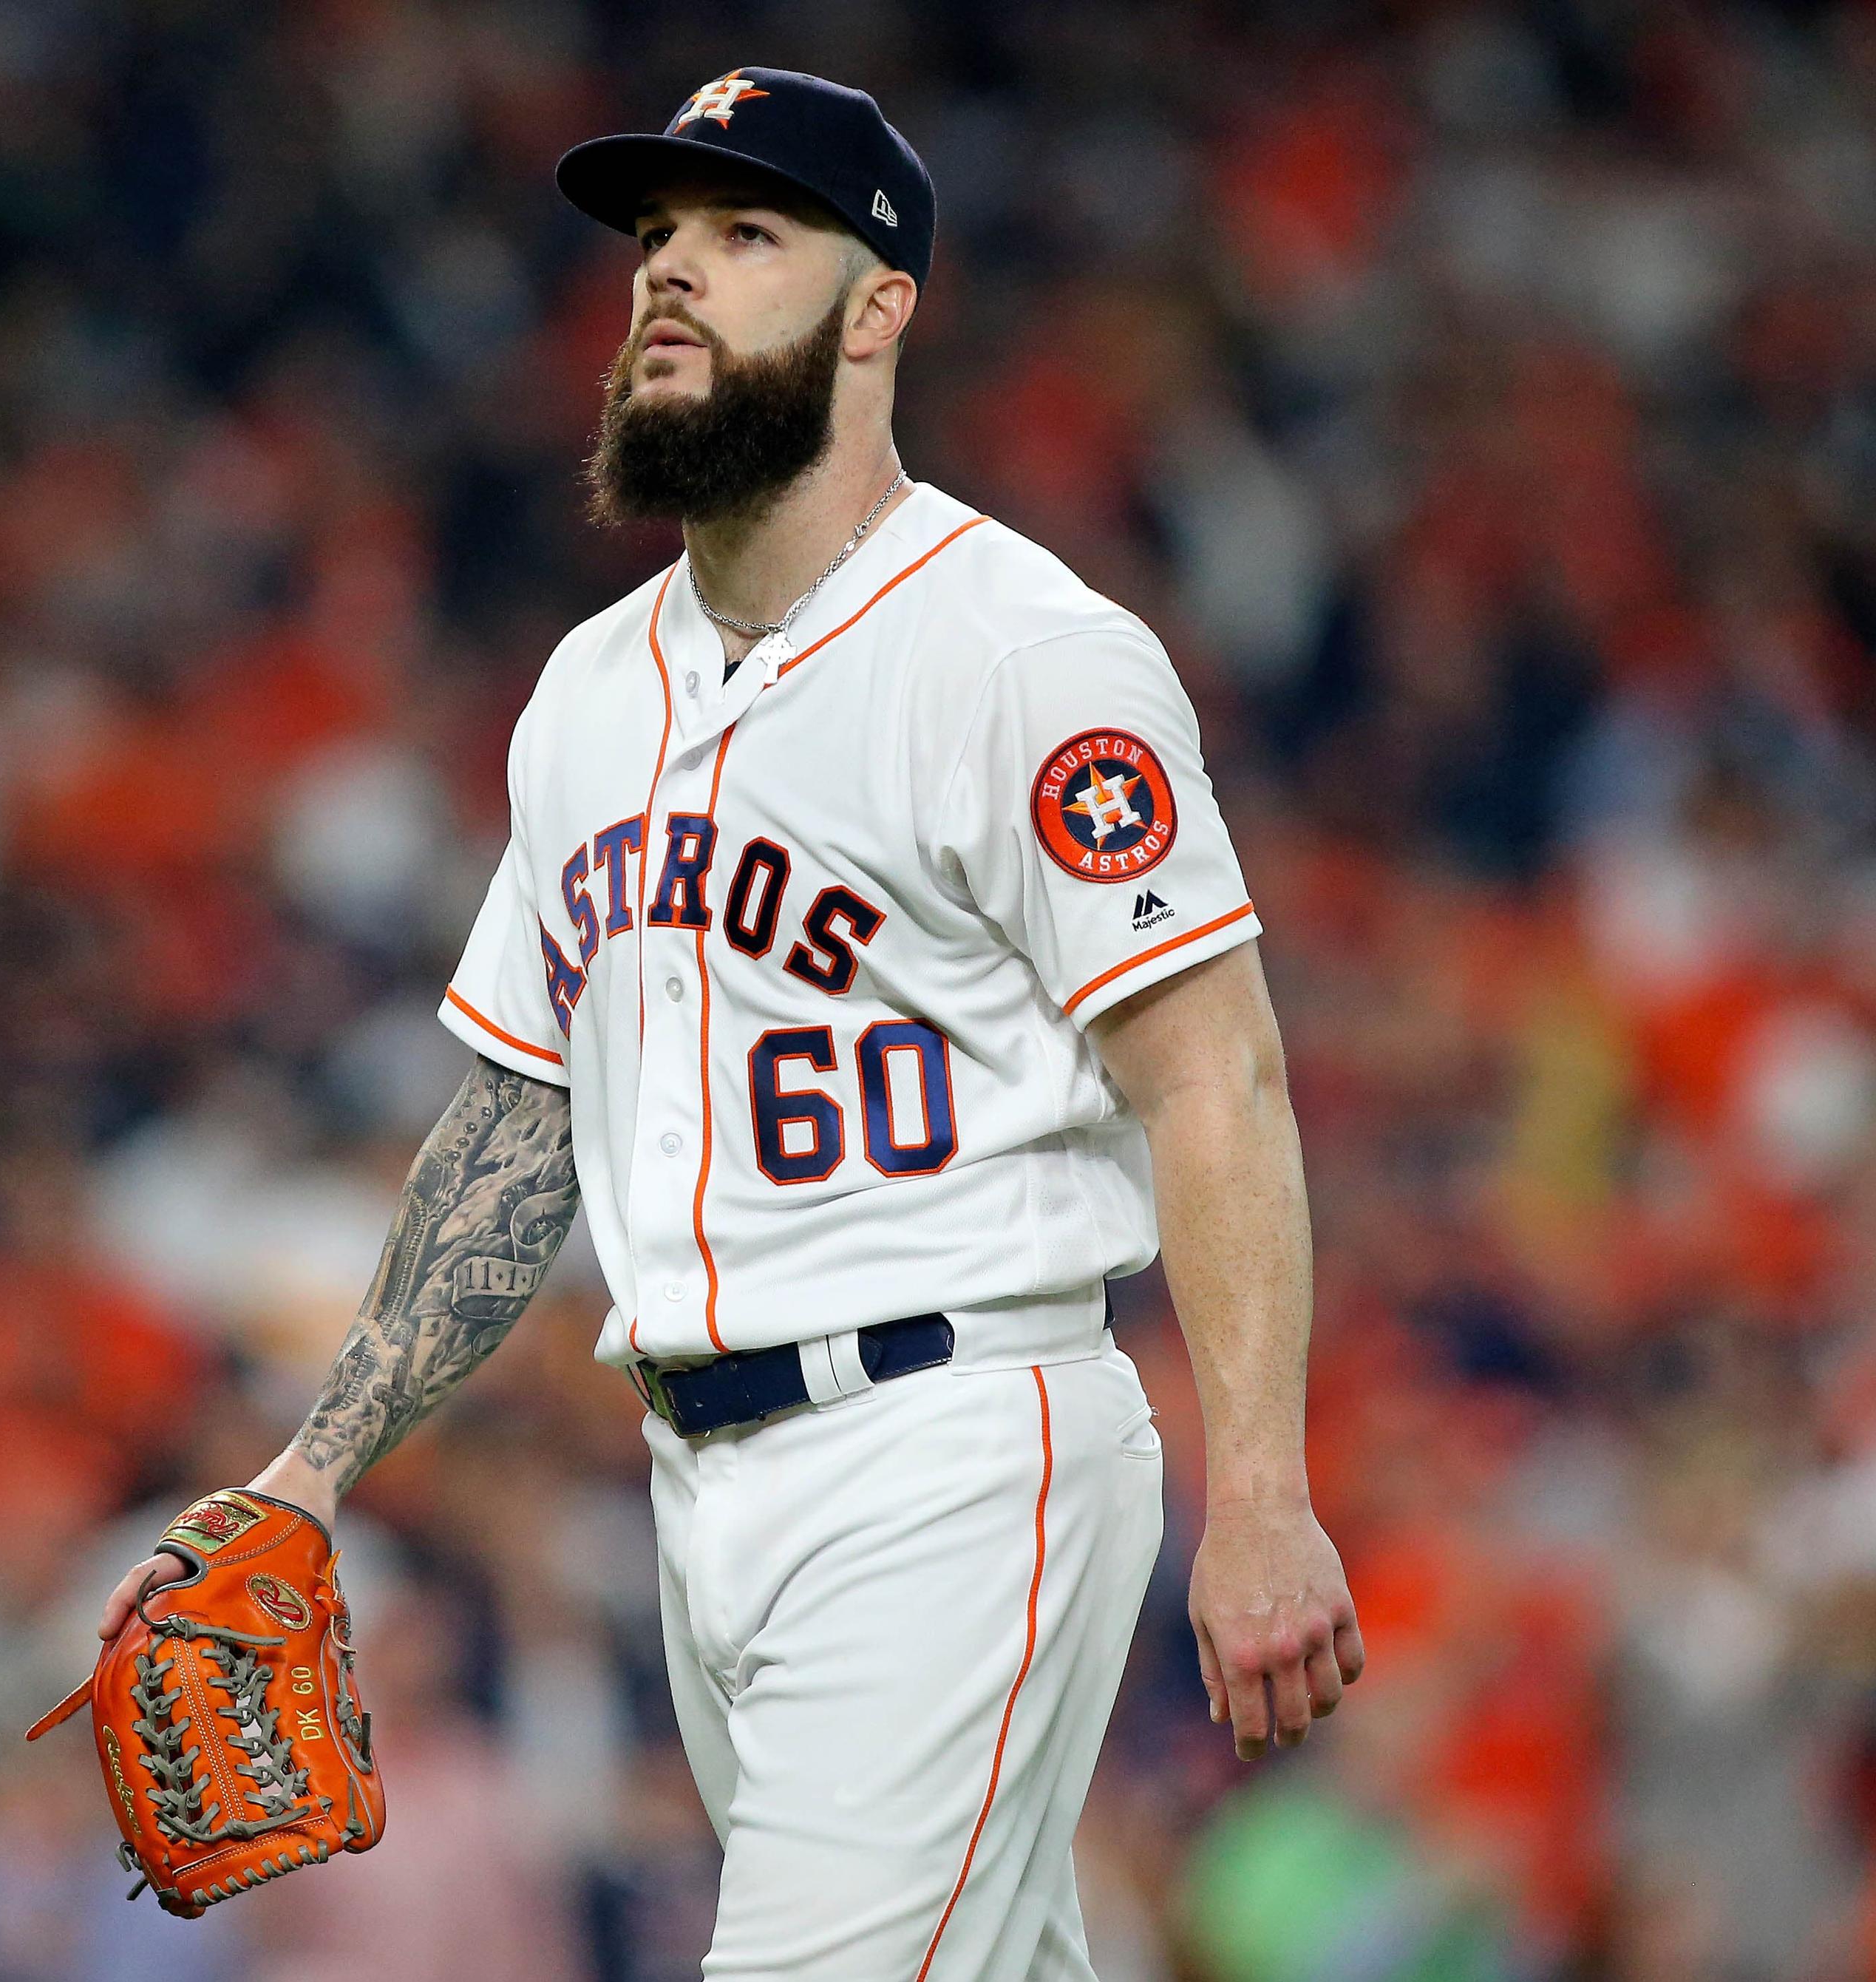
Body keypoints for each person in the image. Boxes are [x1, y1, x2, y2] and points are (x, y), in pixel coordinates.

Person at [102, 66, 1364, 1979]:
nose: (672, 279)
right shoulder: (586, 695)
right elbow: (521, 1119)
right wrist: (316, 1462)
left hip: (958, 1441)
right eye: (656, 243)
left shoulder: (1020, 653)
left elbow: (1218, 1070)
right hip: (703, 1484)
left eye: (746, 234)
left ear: (881, 309)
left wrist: (1260, 1491)